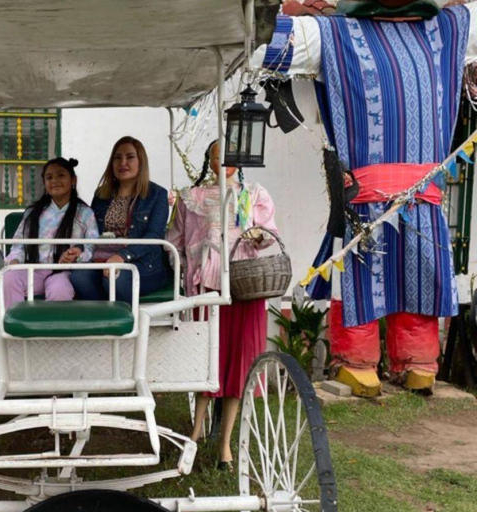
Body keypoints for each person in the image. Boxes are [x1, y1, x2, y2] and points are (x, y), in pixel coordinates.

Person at [251, 0, 477, 395]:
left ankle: (391, 361)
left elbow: (262, 44)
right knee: (394, 273)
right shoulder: (444, 30)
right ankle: (387, 360)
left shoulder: (445, 27)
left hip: (393, 197)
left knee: (385, 273)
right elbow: (263, 44)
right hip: (389, 197)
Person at [166, 140, 278, 471]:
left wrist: (258, 236)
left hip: (243, 285)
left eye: (229, 153)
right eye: (216, 154)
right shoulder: (192, 197)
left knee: (237, 363)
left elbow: (269, 233)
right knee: (206, 360)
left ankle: (226, 443)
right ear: (210, 160)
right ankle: (196, 431)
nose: (223, 159)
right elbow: (175, 239)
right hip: (205, 286)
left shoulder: (255, 194)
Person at [70, 136, 169, 302]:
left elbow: (155, 235)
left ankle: (123, 325)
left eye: (130, 157)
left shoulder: (157, 194)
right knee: (78, 277)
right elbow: (91, 230)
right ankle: (102, 322)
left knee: (115, 278)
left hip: (143, 265)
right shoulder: (102, 194)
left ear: (141, 162)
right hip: (102, 261)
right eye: (117, 158)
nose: (123, 163)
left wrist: (123, 256)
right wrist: (79, 249)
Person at [3, 157, 99, 309]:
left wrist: (77, 255)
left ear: (73, 180)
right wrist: (14, 262)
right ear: (44, 183)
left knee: (59, 289)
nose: (54, 180)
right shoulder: (33, 213)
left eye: (61, 175)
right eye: (49, 177)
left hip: (63, 272)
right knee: (9, 278)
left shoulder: (85, 213)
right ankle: (16, 328)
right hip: (33, 270)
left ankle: (55, 331)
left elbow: (92, 248)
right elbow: (18, 245)